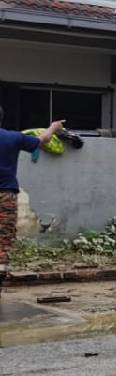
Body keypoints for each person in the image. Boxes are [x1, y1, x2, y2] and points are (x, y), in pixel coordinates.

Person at [0, 110, 64, 299]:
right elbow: (42, 140)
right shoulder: (13, 138)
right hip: (5, 194)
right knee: (3, 234)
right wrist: (53, 127)